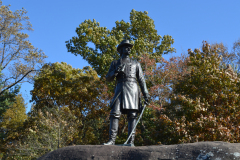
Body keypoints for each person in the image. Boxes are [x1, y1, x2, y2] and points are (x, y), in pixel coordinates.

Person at [103, 40, 149, 146]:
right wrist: (116, 72)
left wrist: (145, 94)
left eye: (129, 47)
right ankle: (111, 140)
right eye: (126, 47)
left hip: (133, 89)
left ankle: (130, 142)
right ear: (121, 50)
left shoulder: (136, 63)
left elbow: (141, 79)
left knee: (132, 115)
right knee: (114, 113)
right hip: (120, 88)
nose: (128, 49)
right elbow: (108, 78)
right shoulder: (115, 63)